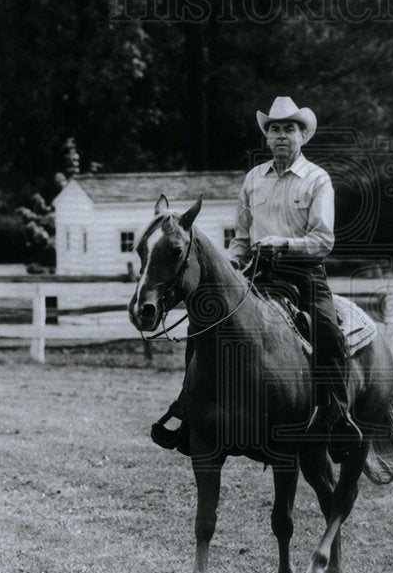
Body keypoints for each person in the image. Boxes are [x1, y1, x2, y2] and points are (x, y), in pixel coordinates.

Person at [151, 96, 363, 461]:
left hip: (303, 272)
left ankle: (336, 412)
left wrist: (283, 244)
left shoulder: (317, 179)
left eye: (289, 129)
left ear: (302, 136)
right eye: (275, 129)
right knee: (203, 318)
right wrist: (231, 263)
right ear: (267, 138)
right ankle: (190, 409)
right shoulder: (253, 179)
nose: (282, 135)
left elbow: (323, 240)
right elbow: (242, 238)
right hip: (256, 275)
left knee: (326, 328)